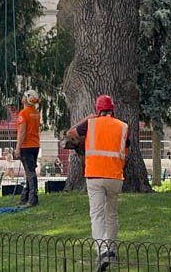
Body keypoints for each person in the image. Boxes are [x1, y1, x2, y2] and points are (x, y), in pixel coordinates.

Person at [66, 94, 129, 272]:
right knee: (112, 214)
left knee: (97, 214)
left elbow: (70, 134)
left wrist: (87, 118)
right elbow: (127, 150)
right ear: (112, 109)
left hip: (94, 174)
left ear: (98, 109)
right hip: (115, 175)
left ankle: (102, 252)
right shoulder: (123, 126)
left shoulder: (90, 124)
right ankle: (112, 249)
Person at [16, 89, 43, 207]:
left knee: (30, 173)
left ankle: (33, 199)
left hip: (26, 146)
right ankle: (25, 196)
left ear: (27, 98)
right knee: (29, 171)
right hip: (35, 145)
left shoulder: (23, 113)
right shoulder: (36, 113)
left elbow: (22, 132)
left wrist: (18, 147)